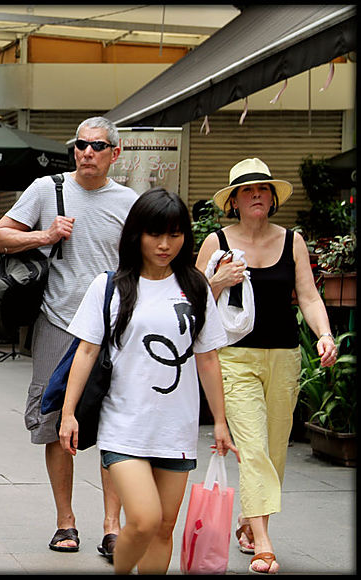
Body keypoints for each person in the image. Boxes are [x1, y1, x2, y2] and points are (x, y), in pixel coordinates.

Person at [58, 188, 239, 574]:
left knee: (163, 527)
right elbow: (86, 352)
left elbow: (207, 358)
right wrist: (68, 413)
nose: (164, 244)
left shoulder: (196, 288)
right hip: (124, 424)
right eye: (155, 234)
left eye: (175, 235)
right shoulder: (110, 286)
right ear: (136, 234)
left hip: (176, 426)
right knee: (142, 519)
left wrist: (221, 422)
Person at [0, 116, 137, 557]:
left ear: (115, 153)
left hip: (112, 328)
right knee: (54, 422)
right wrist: (46, 235)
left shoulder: (129, 202)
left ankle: (112, 527)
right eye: (81, 145)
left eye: (97, 146)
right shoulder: (45, 188)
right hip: (58, 322)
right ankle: (65, 522)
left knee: (114, 425)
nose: (87, 152)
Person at [195, 158, 337, 575]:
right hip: (235, 358)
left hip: (286, 357)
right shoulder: (217, 242)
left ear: (272, 199)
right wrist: (220, 280)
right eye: (247, 190)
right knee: (253, 448)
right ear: (234, 202)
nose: (257, 195)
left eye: (263, 189)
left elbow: (309, 297)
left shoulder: (292, 241)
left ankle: (248, 524)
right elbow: (192, 296)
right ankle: (264, 543)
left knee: (274, 451)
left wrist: (324, 334)